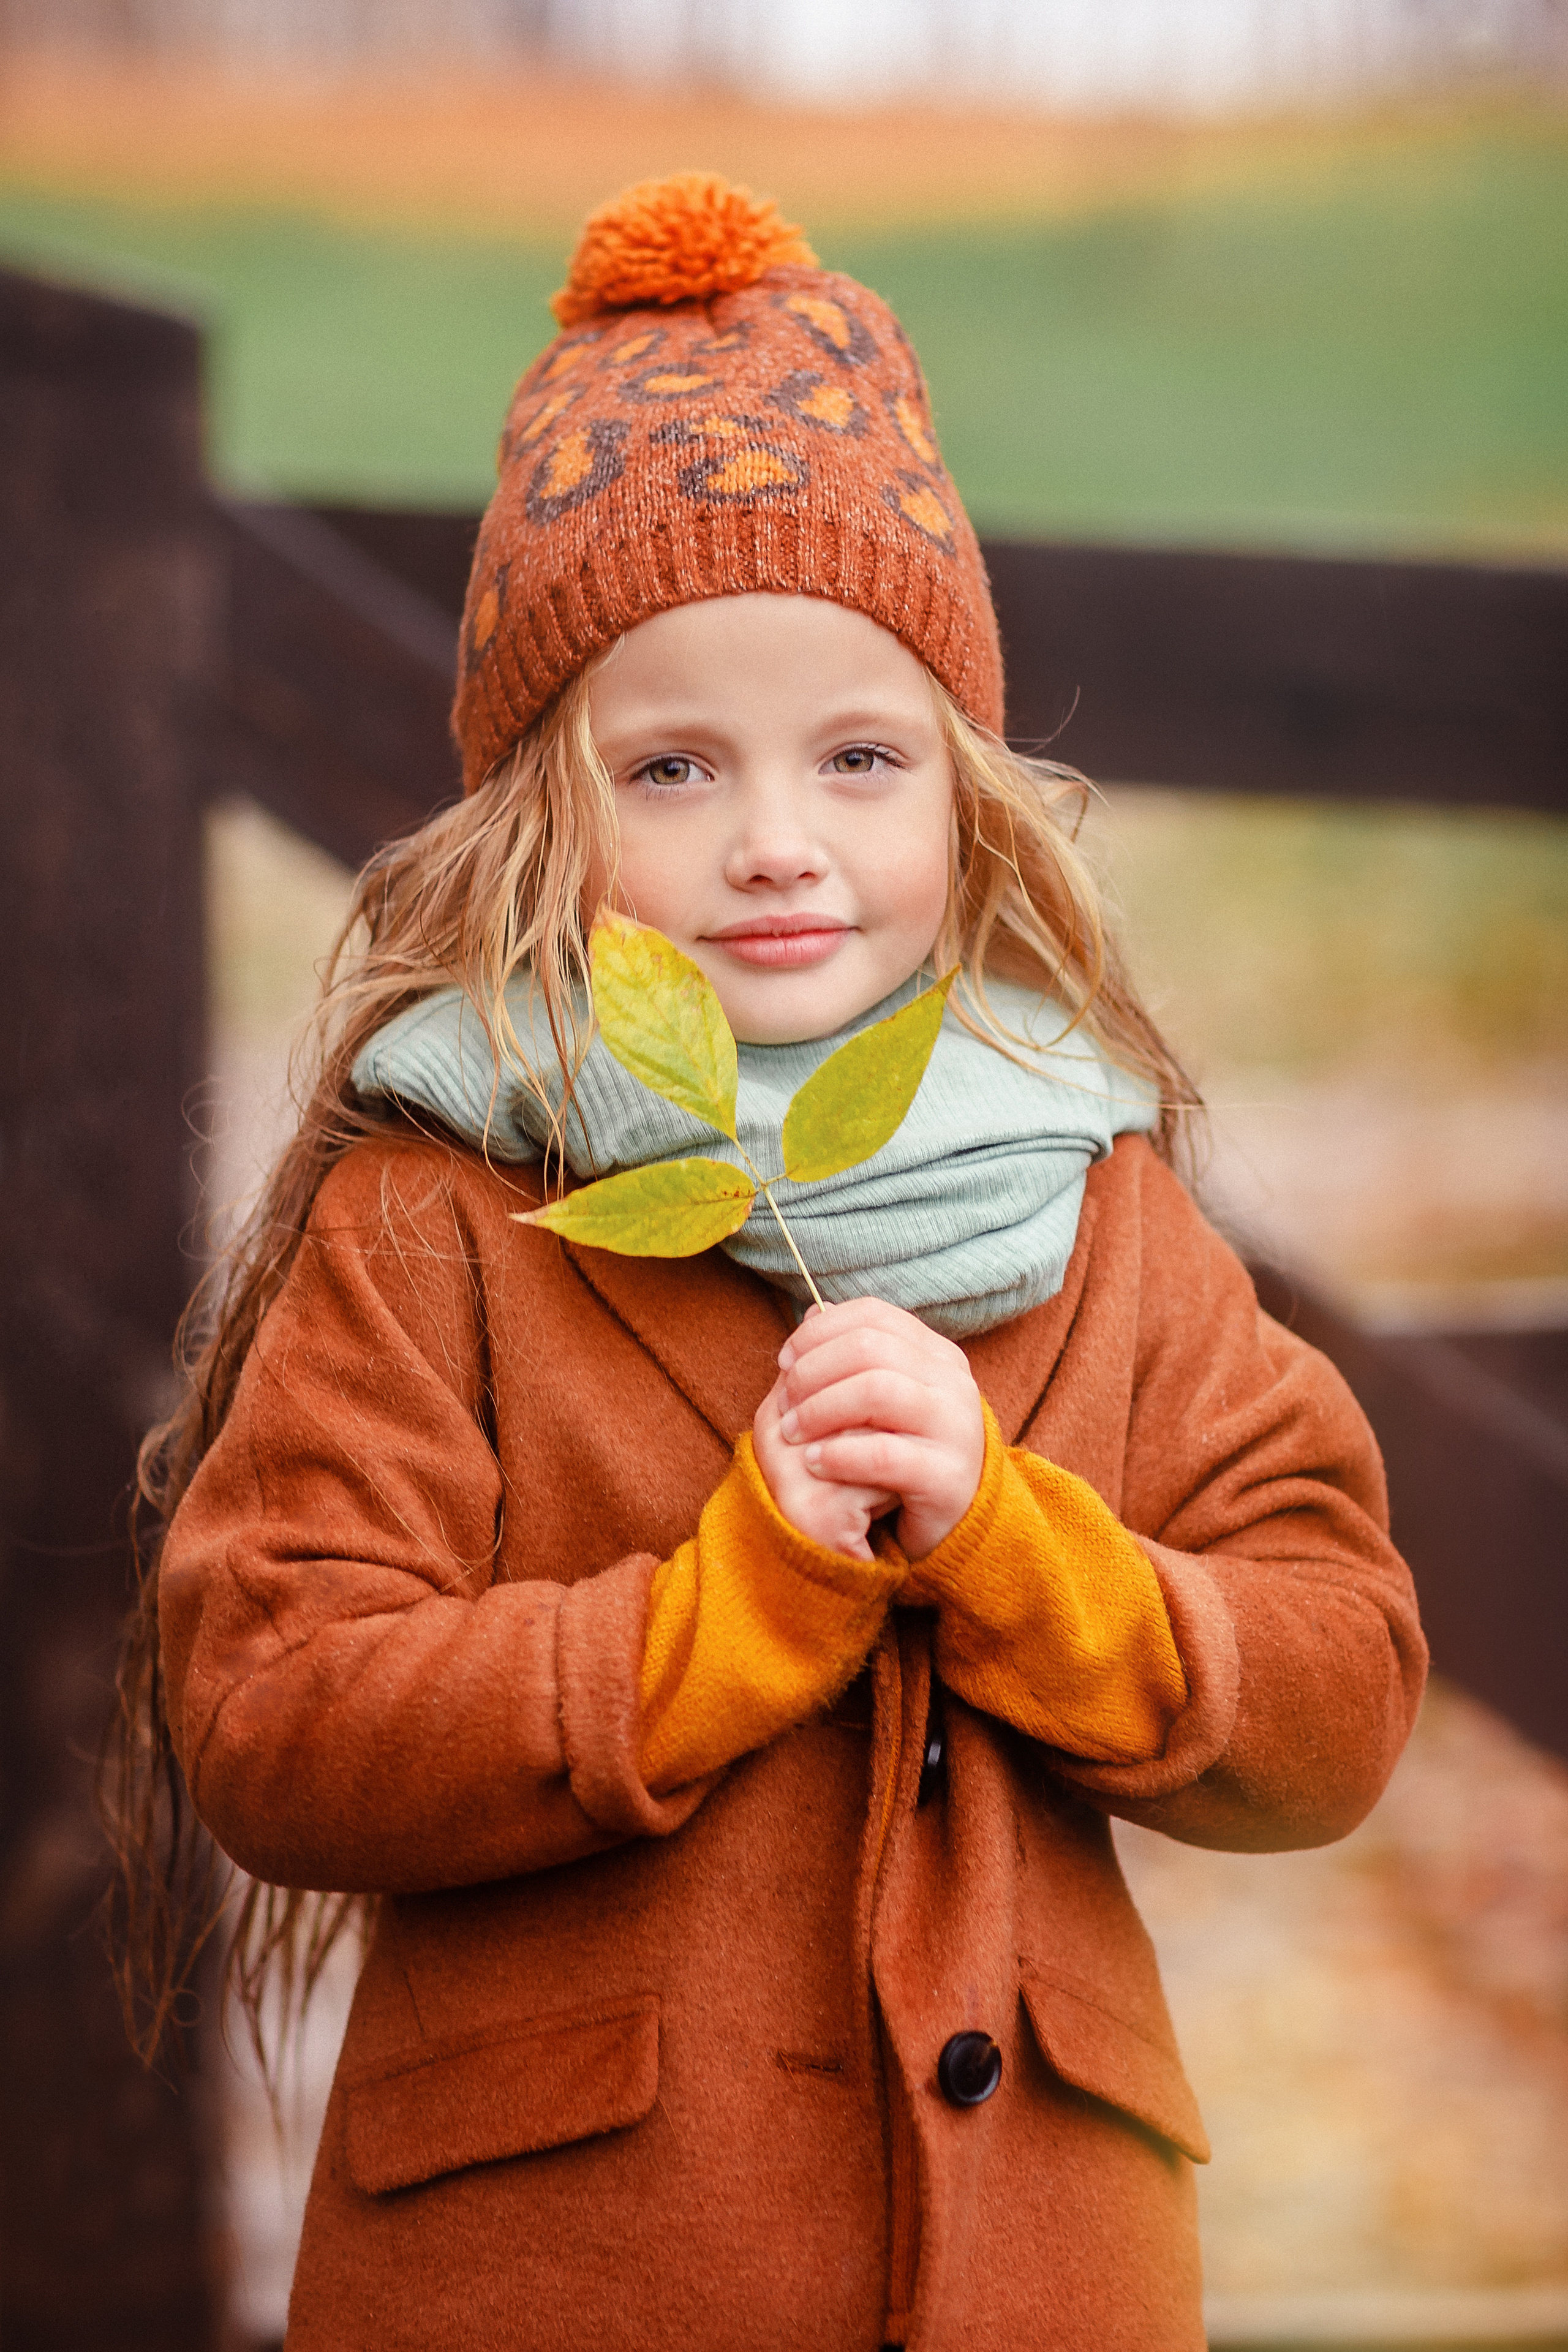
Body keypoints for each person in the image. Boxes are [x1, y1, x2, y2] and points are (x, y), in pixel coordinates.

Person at [113, 173, 1425, 2350]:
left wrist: (1019, 1551)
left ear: (964, 795)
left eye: (858, 755)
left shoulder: (1089, 1197)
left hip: (1036, 2278)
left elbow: (1337, 1683)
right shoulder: (442, 1206)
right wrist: (722, 1619)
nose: (779, 839)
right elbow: (270, 1707)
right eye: (675, 766)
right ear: (544, 811)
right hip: (565, 2281)